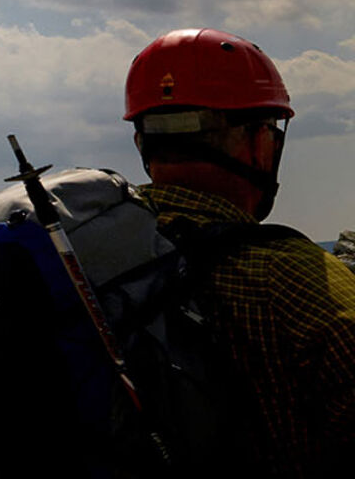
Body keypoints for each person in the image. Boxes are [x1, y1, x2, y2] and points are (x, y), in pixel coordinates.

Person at [124, 28, 355, 476]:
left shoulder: (83, 256)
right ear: (257, 142)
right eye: (270, 130)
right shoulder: (293, 278)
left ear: (142, 143)